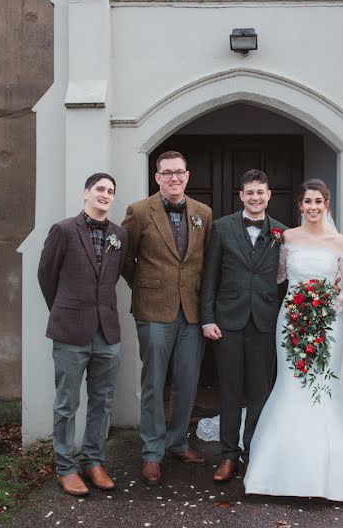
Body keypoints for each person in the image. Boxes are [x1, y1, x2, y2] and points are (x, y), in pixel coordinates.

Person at [245, 179, 343, 503]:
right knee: (291, 385)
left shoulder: (340, 242)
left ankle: (329, 465)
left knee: (322, 387)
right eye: (307, 201)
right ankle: (280, 468)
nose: (313, 207)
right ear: (300, 206)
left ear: (327, 205)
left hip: (327, 324)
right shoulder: (288, 238)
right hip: (291, 319)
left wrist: (325, 307)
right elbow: (278, 275)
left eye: (318, 202)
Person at [121, 151, 213, 486]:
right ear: (157, 177)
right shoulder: (139, 211)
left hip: (191, 312)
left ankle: (177, 442)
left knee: (187, 382)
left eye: (179, 173)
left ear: (187, 176)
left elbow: (202, 261)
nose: (174, 178)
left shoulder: (203, 213)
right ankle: (151, 452)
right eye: (167, 173)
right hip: (153, 310)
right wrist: (147, 287)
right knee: (154, 382)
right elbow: (125, 260)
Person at [37, 172, 128, 496]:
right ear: (86, 193)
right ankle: (65, 467)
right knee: (66, 403)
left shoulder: (120, 234)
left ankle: (93, 461)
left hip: (107, 332)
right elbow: (46, 275)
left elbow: (113, 276)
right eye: (100, 189)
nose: (105, 194)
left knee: (102, 403)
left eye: (110, 191)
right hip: (70, 331)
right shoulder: (63, 230)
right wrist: (65, 311)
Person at [200, 169, 287, 482]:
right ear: (241, 196)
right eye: (249, 193)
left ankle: (254, 452)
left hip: (265, 322)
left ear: (268, 195)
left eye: (260, 192)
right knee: (230, 391)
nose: (255, 198)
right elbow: (209, 276)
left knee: (261, 391)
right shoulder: (222, 228)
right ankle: (228, 456)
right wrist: (207, 318)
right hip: (228, 322)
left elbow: (288, 280)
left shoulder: (282, 231)